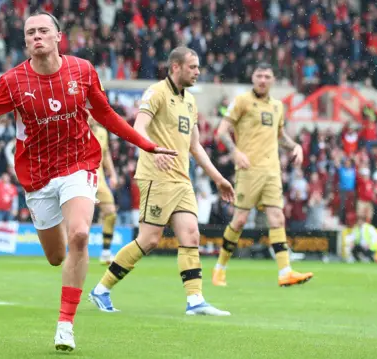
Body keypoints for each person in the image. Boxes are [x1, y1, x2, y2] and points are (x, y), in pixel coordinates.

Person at [0, 11, 175, 352]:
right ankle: (65, 259)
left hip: (78, 164)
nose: (36, 37)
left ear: (58, 37)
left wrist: (147, 145)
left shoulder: (83, 70)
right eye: (30, 32)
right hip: (37, 176)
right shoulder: (13, 82)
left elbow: (106, 115)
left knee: (79, 234)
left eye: (43, 31)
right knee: (56, 256)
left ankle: (65, 324)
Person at [88, 47, 234, 316]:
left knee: (191, 234)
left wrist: (219, 179)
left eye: (198, 67)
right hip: (156, 177)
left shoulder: (190, 101)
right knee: (149, 239)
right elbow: (139, 126)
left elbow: (196, 146)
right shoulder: (156, 93)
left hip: (181, 179)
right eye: (193, 67)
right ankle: (101, 289)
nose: (198, 72)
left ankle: (195, 300)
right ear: (176, 67)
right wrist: (150, 149)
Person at [212, 63, 314, 287]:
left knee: (278, 218)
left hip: (272, 171)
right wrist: (235, 152)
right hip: (249, 170)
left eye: (267, 76)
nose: (263, 80)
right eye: (259, 75)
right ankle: (220, 268)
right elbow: (221, 131)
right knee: (239, 221)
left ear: (273, 80)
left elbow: (280, 136)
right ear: (252, 77)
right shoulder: (241, 101)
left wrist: (295, 145)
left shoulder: (277, 106)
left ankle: (285, 271)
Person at [89, 116, 119, 264]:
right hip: (80, 179)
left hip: (99, 180)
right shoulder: (76, 129)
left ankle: (106, 253)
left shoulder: (102, 132)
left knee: (111, 213)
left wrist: (112, 174)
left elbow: (105, 154)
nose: (91, 116)